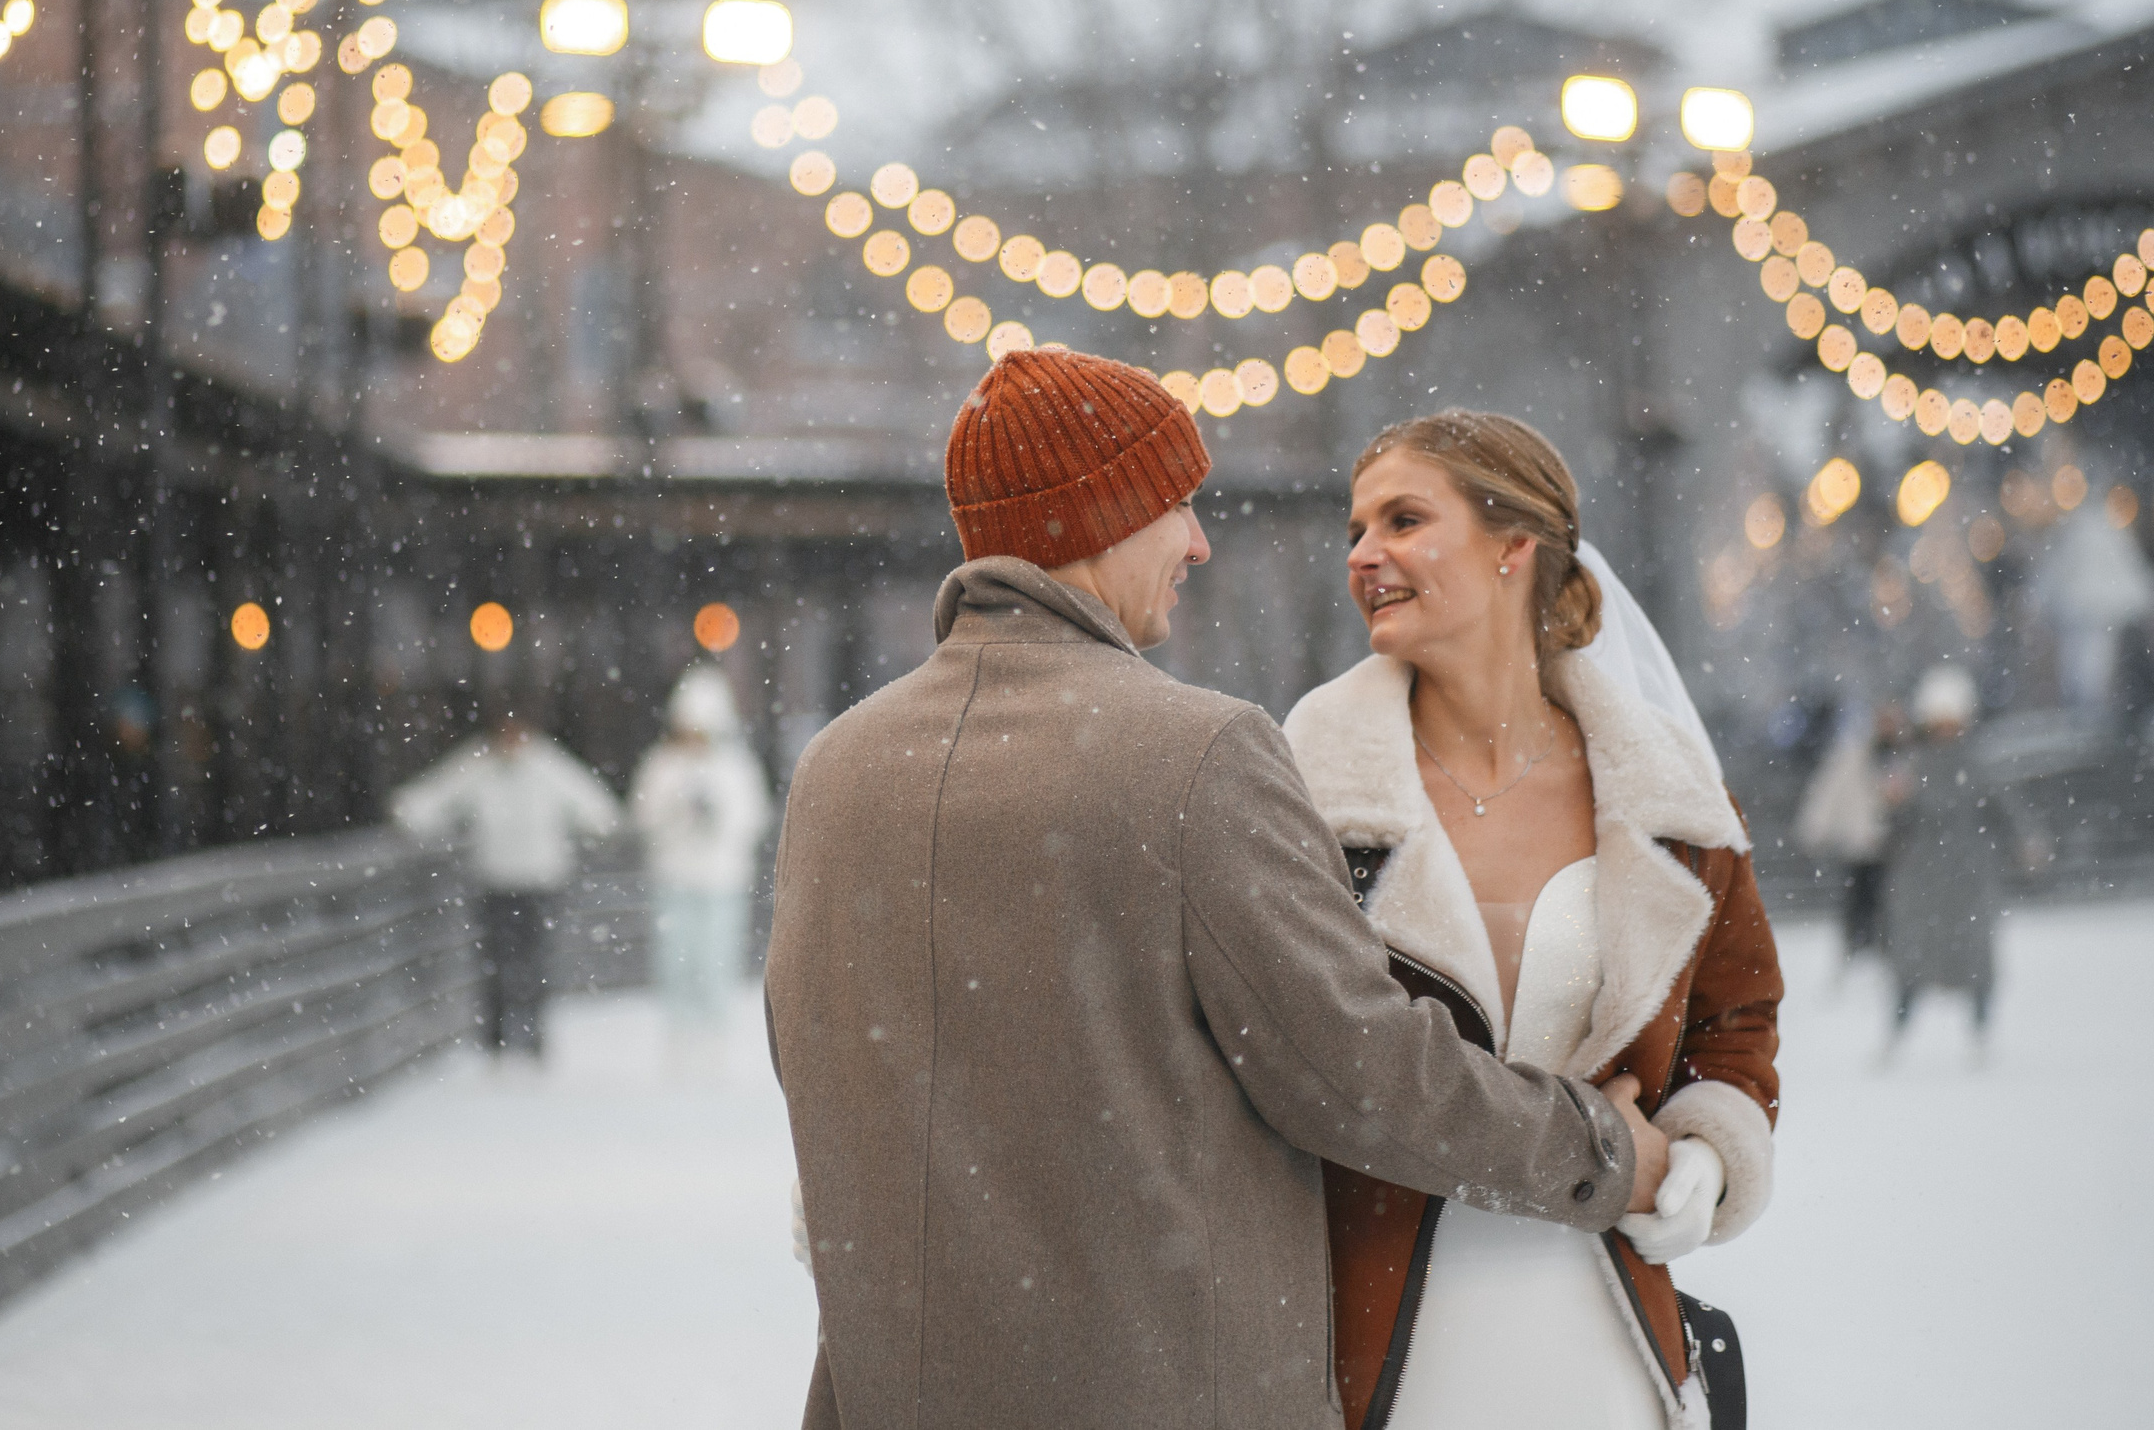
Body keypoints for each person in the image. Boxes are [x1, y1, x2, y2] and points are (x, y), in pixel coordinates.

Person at [766, 350, 1663, 1430]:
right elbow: (1358, 1071)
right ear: (1099, 518)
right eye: (1174, 506)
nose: (1197, 540)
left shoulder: (838, 769)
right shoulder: (1195, 757)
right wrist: (1598, 1152)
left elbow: (822, 1074)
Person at [1282, 410, 1782, 1430]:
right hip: (1375, 1337)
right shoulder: (1301, 791)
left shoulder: (1670, 798)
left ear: (1516, 547)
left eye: (1404, 520)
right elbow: (1288, 1059)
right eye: (1354, 531)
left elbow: (1737, 1026)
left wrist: (1705, 1155)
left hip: (1601, 1329)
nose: (1363, 556)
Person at [389, 710, 620, 1060]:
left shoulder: (548, 765)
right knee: (497, 965)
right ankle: (496, 1040)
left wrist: (598, 825)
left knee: (533, 963)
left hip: (541, 883)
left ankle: (531, 1038)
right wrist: (406, 811)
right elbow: (433, 799)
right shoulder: (478, 766)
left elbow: (598, 810)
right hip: (495, 881)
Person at [631, 663, 774, 1057]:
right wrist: (678, 811)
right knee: (675, 960)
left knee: (716, 959)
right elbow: (644, 816)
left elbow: (751, 818)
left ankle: (714, 1033)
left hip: (721, 879)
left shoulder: (736, 767)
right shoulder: (662, 765)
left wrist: (718, 819)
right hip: (674, 876)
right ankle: (679, 1030)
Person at [1882, 664, 2008, 1056]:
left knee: (1975, 957)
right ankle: (1898, 1032)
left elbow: (2002, 808)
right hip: (1921, 877)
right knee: (1912, 959)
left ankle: (1980, 1033)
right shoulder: (1912, 763)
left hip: (1967, 873)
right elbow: (1894, 821)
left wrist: (2027, 840)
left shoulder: (1976, 762)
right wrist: (1894, 803)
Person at [1793, 700, 1903, 966]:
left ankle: (1885, 951)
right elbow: (1828, 792)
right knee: (1860, 901)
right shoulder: (1855, 755)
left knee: (1891, 903)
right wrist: (1812, 829)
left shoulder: (1907, 755)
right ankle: (1858, 952)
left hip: (1898, 848)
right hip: (1862, 845)